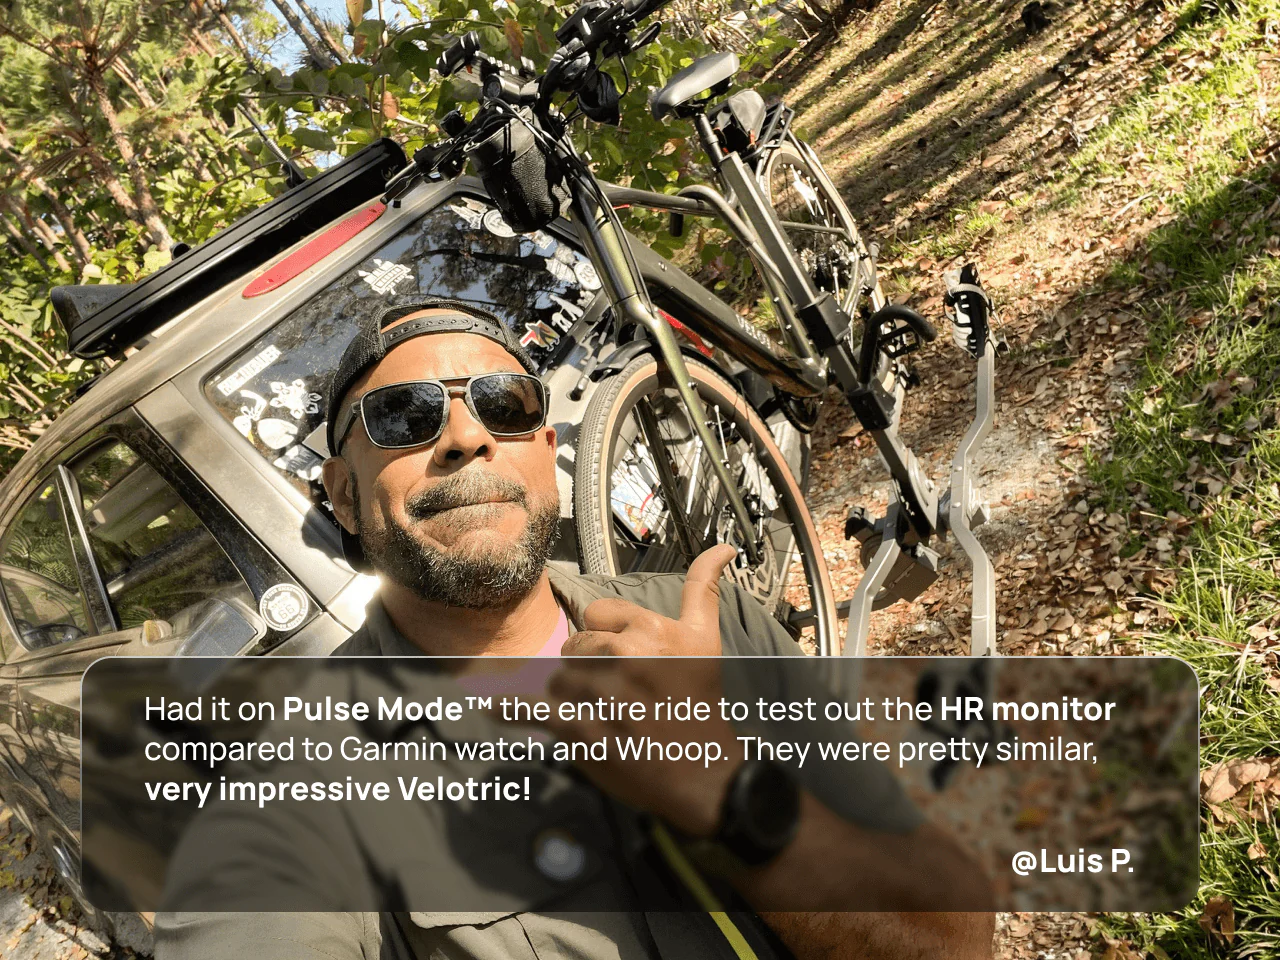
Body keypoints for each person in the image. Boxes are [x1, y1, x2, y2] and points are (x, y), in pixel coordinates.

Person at [154, 298, 994, 959]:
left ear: (546, 453)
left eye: (504, 403)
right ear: (341, 495)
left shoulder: (719, 625)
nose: (466, 436)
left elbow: (953, 938)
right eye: (404, 417)